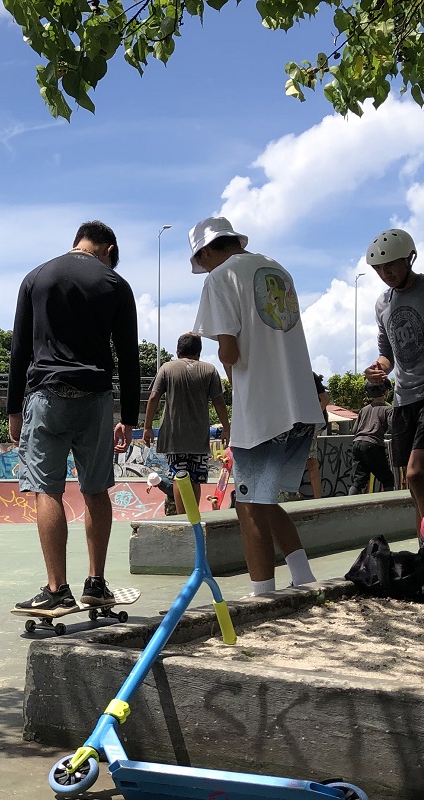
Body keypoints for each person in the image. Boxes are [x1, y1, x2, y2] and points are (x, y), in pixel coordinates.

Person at [8, 220, 140, 611]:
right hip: (96, 399)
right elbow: (128, 358)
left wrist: (14, 408)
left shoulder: (36, 277)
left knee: (47, 490)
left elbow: (19, 350)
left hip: (45, 396)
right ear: (109, 250)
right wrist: (128, 418)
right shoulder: (116, 285)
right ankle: (96, 584)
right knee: (95, 488)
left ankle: (56, 590)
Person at [189, 216, 324, 596]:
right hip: (300, 405)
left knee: (246, 503)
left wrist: (229, 368)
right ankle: (302, 574)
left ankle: (262, 593)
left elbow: (229, 350)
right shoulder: (278, 270)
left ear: (206, 250)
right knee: (263, 498)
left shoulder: (221, 278)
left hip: (264, 408)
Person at [362, 228, 424, 535]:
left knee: (418, 474)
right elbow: (387, 355)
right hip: (403, 400)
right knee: (412, 481)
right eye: (378, 268)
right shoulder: (382, 304)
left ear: (410, 258)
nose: (385, 272)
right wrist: (378, 368)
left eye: (391, 264)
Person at [142, 331, 229, 515]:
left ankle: (183, 518)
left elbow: (154, 397)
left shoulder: (167, 368)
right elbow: (219, 402)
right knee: (196, 479)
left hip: (175, 437)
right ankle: (193, 515)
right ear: (199, 352)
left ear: (178, 351)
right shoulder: (209, 370)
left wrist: (148, 427)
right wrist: (227, 429)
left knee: (178, 476)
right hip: (199, 438)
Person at [350, 380, 395, 493]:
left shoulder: (363, 410)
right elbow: (392, 427)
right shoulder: (388, 409)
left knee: (359, 481)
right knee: (387, 479)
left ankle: (350, 505)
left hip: (357, 443)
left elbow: (354, 430)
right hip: (372, 444)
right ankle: (389, 507)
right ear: (385, 392)